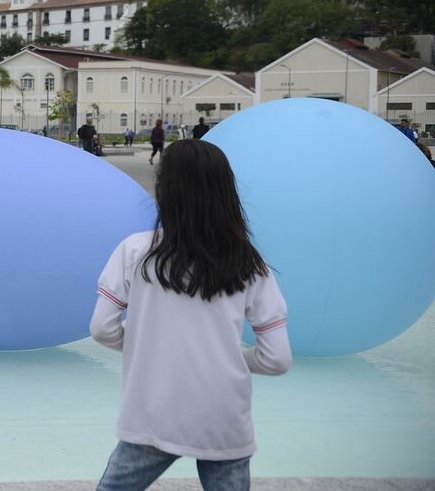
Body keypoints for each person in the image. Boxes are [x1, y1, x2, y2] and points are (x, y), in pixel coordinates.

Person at [91, 140, 291, 491]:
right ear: (226, 193)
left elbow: (102, 329)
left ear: (165, 191)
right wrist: (228, 357)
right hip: (223, 418)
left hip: (152, 412)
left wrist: (148, 348)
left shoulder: (136, 251)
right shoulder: (250, 264)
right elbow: (277, 359)